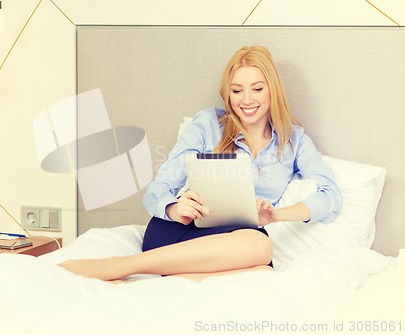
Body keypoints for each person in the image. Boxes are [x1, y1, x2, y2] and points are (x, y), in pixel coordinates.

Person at [59, 46, 342, 282]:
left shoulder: (294, 140)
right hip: (182, 229)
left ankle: (159, 277)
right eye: (236, 91)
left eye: (257, 88)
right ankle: (123, 266)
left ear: (273, 90)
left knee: (260, 263)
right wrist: (173, 207)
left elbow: (330, 197)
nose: (246, 100)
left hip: (236, 240)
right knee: (259, 251)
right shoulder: (208, 123)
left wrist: (276, 215)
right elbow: (159, 188)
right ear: (227, 94)